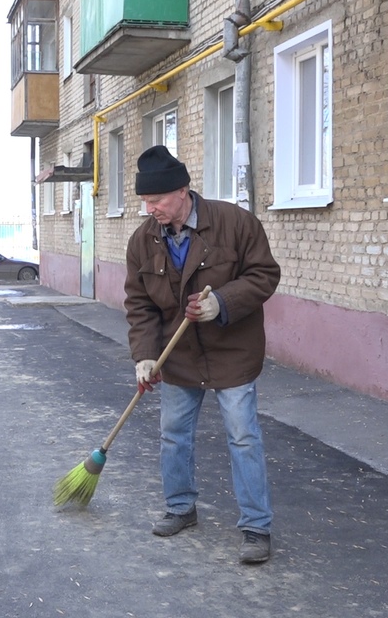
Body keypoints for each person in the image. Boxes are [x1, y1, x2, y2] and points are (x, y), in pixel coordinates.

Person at [123, 145, 282, 564]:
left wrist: (222, 303)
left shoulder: (234, 223)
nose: (149, 208)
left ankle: (255, 527)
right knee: (173, 436)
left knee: (243, 437)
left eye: (155, 200)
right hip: (177, 359)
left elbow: (265, 274)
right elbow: (139, 304)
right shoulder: (143, 241)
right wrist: (144, 354)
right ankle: (180, 507)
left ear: (181, 191)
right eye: (144, 200)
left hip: (233, 354)